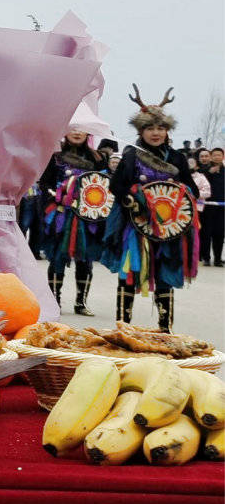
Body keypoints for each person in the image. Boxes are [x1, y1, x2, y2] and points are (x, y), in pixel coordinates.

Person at [101, 87, 197, 330]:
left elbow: (192, 189)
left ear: (167, 131)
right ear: (141, 131)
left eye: (160, 128)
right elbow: (116, 186)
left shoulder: (177, 158)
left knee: (165, 276)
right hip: (136, 227)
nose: (156, 133)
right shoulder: (132, 156)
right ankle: (123, 328)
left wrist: (177, 193)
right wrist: (135, 197)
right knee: (130, 274)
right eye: (150, 128)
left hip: (168, 228)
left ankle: (165, 330)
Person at [39, 130, 108, 315]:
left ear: (88, 134)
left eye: (82, 130)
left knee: (85, 261)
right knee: (57, 259)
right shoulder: (55, 157)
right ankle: (55, 301)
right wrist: (55, 197)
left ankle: (81, 302)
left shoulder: (97, 159)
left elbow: (105, 184)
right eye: (73, 128)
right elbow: (44, 183)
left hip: (87, 218)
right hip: (61, 216)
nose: (77, 133)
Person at [201, 147, 225, 266]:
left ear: (223, 156)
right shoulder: (205, 170)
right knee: (206, 233)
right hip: (208, 207)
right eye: (214, 155)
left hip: (222, 208)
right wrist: (209, 173)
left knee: (219, 233)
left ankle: (218, 259)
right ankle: (206, 258)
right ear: (211, 156)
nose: (217, 157)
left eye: (219, 155)